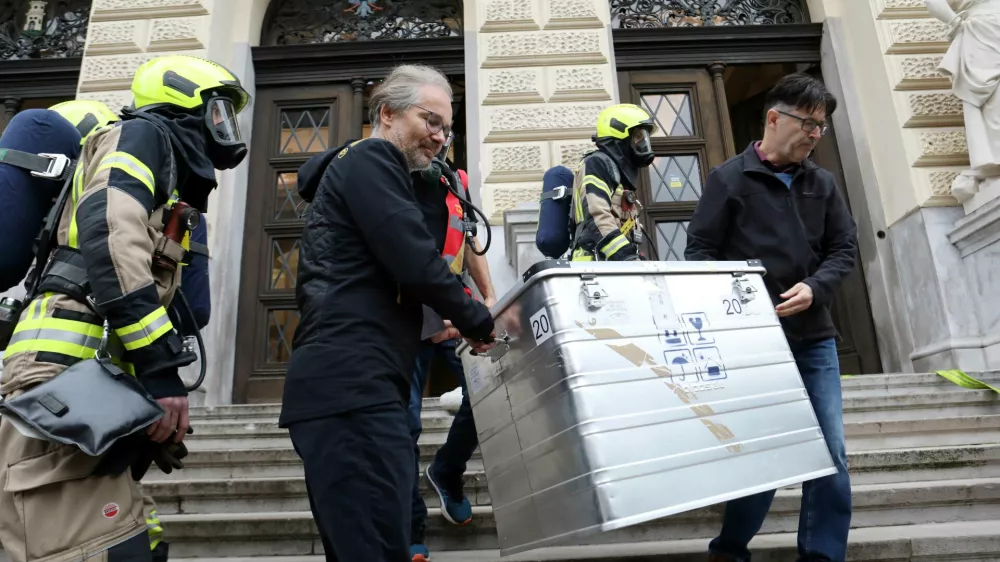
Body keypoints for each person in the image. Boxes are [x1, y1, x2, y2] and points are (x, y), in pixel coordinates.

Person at [0, 53, 251, 561]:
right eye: (218, 112)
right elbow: (109, 227)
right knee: (91, 549)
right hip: (59, 378)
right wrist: (161, 373)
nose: (225, 128)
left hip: (83, 382)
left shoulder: (165, 173)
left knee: (132, 541)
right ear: (182, 103)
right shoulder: (143, 135)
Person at [278, 63, 496, 561]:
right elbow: (414, 258)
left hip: (360, 385)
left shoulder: (372, 169)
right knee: (376, 547)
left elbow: (372, 276)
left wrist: (431, 319)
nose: (441, 137)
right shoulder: (372, 157)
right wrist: (477, 318)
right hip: (350, 387)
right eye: (430, 121)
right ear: (387, 114)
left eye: (447, 127)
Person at [684, 73, 857, 562]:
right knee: (762, 454)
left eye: (821, 127)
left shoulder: (822, 183)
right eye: (808, 123)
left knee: (830, 453)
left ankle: (822, 555)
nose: (814, 135)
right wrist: (737, 300)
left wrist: (815, 286)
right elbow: (700, 253)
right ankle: (731, 547)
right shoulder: (727, 179)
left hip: (815, 337)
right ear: (775, 118)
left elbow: (844, 249)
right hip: (754, 343)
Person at [407, 151, 498, 562]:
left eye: (445, 127)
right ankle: (409, 528)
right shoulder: (387, 171)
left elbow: (470, 238)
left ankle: (446, 470)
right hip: (404, 314)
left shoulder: (455, 179)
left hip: (453, 310)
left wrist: (489, 297)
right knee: (402, 424)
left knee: (488, 393)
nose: (439, 135)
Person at [569, 103, 657, 262]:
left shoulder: (621, 178)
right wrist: (625, 255)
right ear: (620, 136)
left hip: (614, 269)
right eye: (638, 136)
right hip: (593, 268)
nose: (643, 143)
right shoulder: (596, 164)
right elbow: (596, 216)